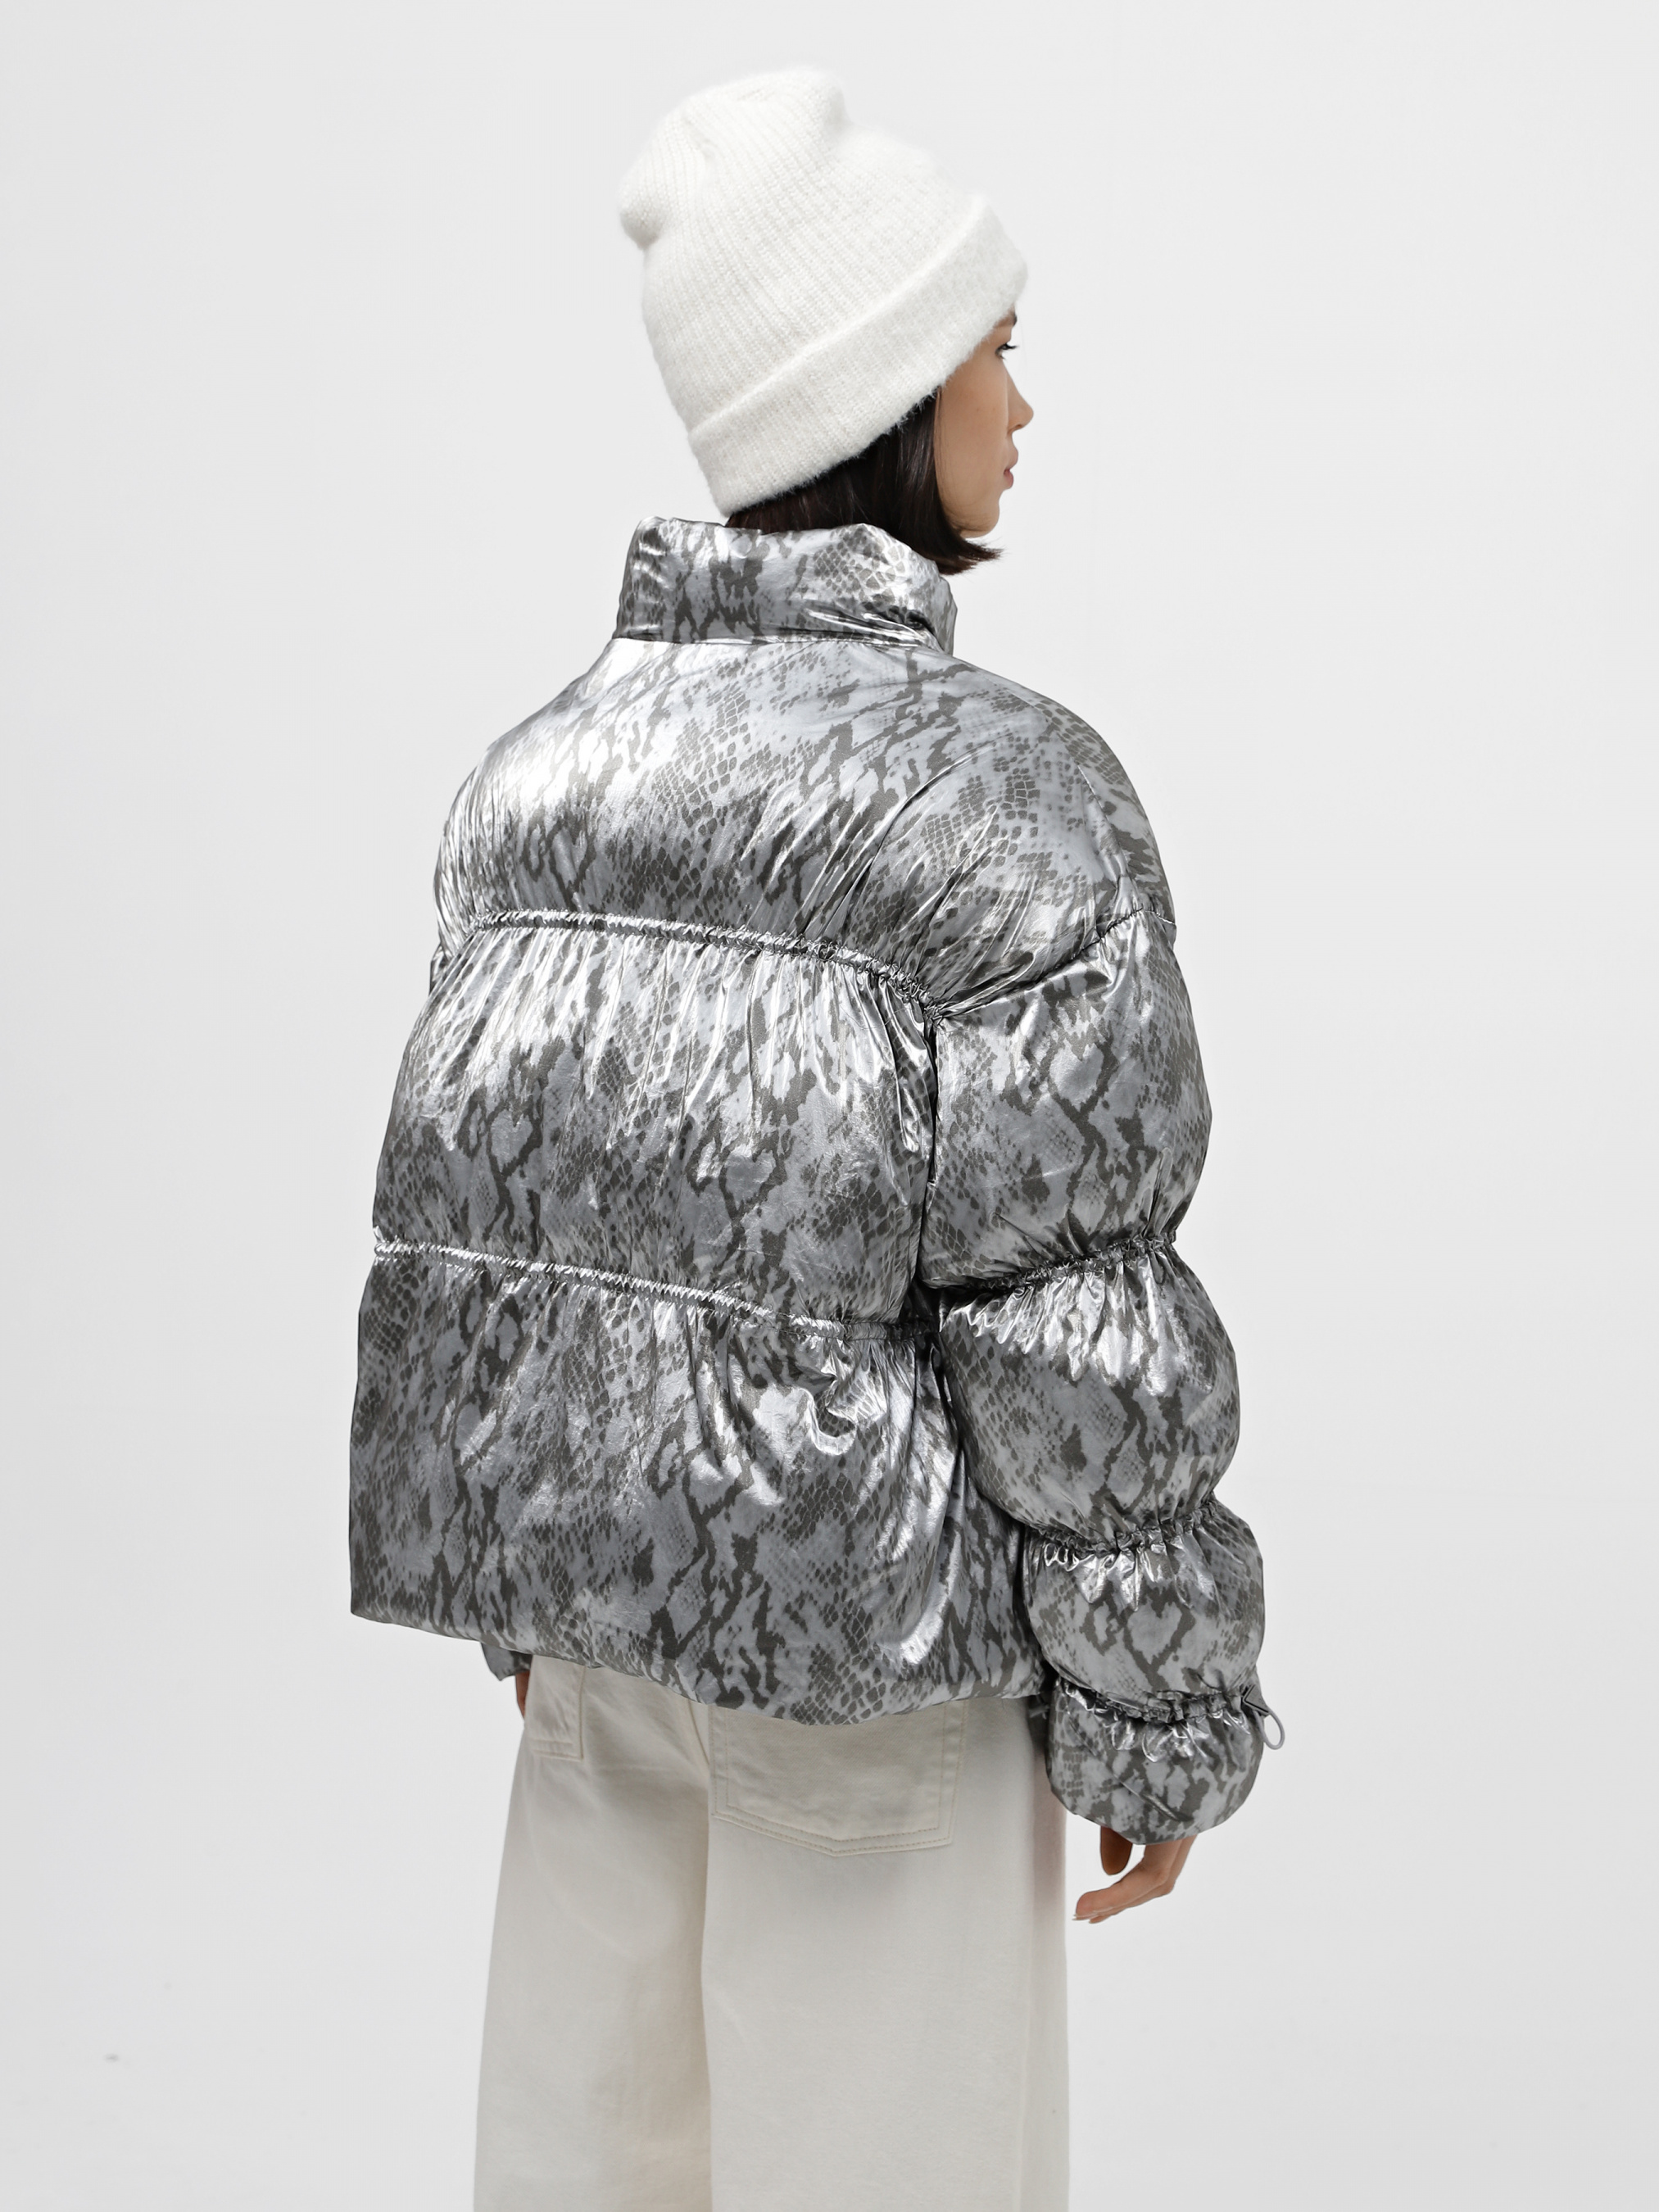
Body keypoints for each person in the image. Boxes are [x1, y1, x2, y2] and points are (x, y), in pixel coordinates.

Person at [349, 67, 1272, 2212]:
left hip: (598, 1677)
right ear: (883, 389)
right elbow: (1069, 1306)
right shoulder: (1002, 791)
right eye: (995, 348)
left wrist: (532, 1600)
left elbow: (502, 1245)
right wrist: (1158, 1703)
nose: (1024, 405)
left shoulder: (539, 775)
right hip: (883, 1681)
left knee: (595, 2169)